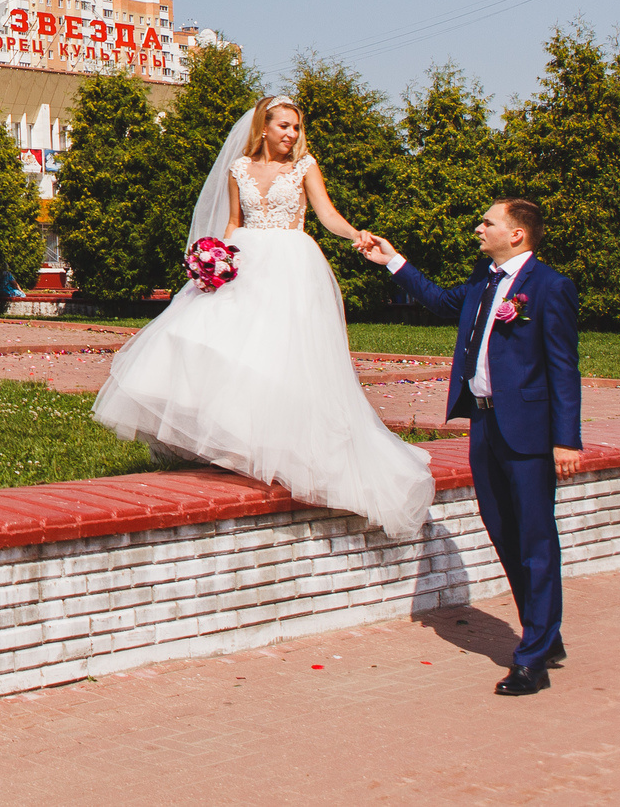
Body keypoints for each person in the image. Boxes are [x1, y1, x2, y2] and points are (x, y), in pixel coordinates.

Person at [92, 95, 433, 540]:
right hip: (246, 259)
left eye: (296, 127)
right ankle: (239, 441)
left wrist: (357, 236)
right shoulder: (239, 169)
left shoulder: (305, 166)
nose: (291, 134)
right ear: (264, 127)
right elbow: (233, 221)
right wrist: (216, 259)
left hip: (292, 263)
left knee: (281, 352)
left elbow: (326, 214)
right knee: (219, 341)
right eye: (284, 127)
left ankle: (289, 446)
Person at [357, 202, 583, 697]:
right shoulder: (485, 277)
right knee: (504, 533)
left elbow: (564, 368)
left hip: (529, 433)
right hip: (484, 426)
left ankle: (532, 659)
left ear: (517, 235)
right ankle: (546, 634)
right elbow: (440, 301)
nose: (479, 228)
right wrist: (393, 261)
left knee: (536, 542)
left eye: (488, 222)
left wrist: (567, 439)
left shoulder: (550, 287)